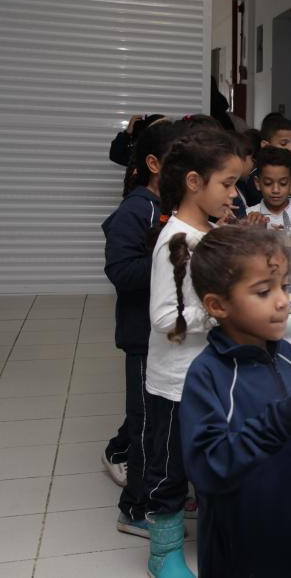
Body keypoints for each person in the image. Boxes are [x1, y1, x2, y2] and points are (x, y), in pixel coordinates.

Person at [180, 225, 291, 577]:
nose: (283, 300)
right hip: (243, 553)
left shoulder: (286, 354)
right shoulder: (207, 376)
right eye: (263, 291)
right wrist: (286, 418)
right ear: (218, 305)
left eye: (284, 286)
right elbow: (209, 469)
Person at [143, 129, 243, 578]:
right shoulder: (175, 239)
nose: (234, 193)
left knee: (208, 461)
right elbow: (165, 318)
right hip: (173, 382)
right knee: (169, 469)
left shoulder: (211, 229)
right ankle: (163, 552)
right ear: (194, 183)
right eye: (228, 183)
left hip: (207, 377)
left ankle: (215, 540)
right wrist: (223, 313)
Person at [101, 120, 176, 538]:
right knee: (146, 426)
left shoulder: (180, 208)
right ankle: (135, 508)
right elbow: (120, 271)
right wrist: (175, 259)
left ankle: (164, 494)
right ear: (152, 164)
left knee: (165, 427)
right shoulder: (134, 210)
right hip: (143, 339)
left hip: (170, 337)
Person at [246, 146, 291, 230]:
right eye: (268, 183)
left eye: (283, 183)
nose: (275, 190)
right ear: (257, 183)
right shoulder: (249, 215)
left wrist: (286, 236)